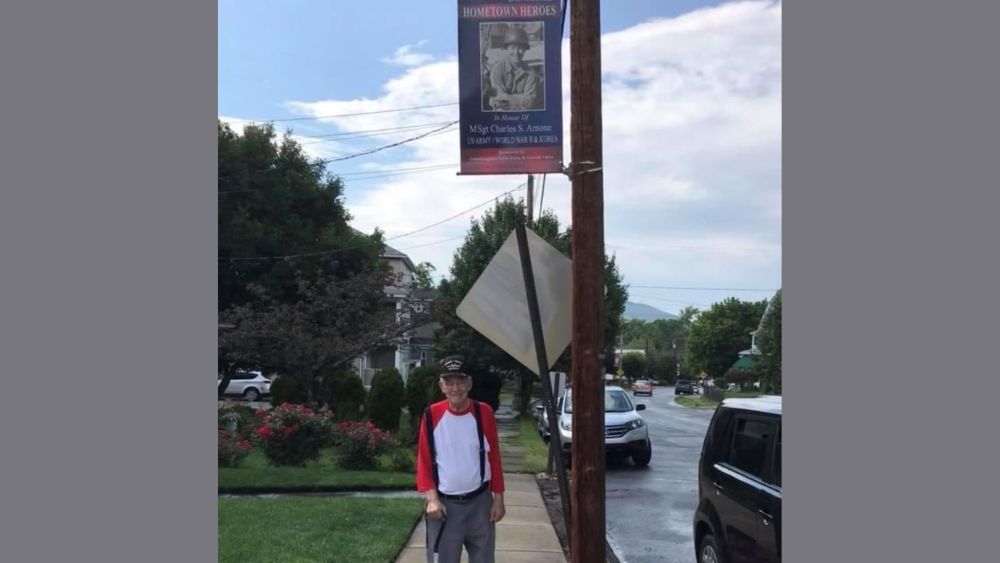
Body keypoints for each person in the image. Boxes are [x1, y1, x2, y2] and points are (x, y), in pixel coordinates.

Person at [416, 355, 505, 563]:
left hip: (480, 503)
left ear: (469, 383)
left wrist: (499, 498)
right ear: (441, 386)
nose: (456, 388)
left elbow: (494, 458)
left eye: (461, 382)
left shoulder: (484, 413)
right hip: (445, 506)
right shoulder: (431, 415)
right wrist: (432, 499)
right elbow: (424, 461)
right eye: (449, 383)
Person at [487, 27, 542, 111]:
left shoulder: (530, 73)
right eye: (512, 48)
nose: (516, 52)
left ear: (525, 50)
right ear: (506, 49)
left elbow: (530, 102)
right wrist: (521, 98)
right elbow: (499, 99)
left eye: (520, 48)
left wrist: (507, 99)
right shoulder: (498, 69)